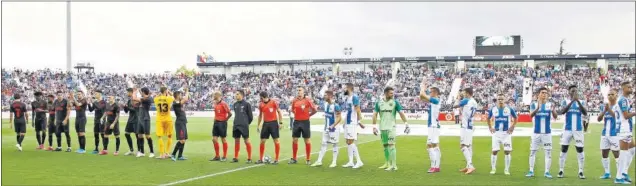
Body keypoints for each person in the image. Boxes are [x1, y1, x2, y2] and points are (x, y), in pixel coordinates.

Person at [372, 87, 408, 171]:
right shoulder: (378, 103)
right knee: (385, 146)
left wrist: (406, 124)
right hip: (382, 128)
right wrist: (374, 127)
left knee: (391, 145)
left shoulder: (395, 102)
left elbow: (401, 113)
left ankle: (394, 165)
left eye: (393, 93)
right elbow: (374, 115)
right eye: (391, 93)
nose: (393, 94)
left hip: (391, 127)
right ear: (386, 93)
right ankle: (387, 163)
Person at [526, 87, 559, 179]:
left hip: (547, 133)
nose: (544, 94)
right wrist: (538, 108)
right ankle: (531, 170)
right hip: (536, 132)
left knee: (548, 152)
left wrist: (553, 110)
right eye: (542, 93)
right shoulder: (534, 104)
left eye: (546, 93)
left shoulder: (550, 105)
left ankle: (547, 171)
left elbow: (555, 116)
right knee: (532, 152)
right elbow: (530, 116)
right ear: (538, 94)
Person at [558, 85, 588, 179]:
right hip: (567, 129)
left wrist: (578, 101)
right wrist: (572, 101)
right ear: (569, 92)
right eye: (572, 91)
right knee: (564, 149)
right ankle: (561, 170)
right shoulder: (565, 101)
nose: (574, 92)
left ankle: (581, 171)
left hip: (578, 130)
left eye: (575, 91)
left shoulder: (582, 102)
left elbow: (585, 112)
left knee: (580, 150)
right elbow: (562, 111)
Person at [487, 93, 518, 176]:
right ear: (497, 100)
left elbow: (515, 118)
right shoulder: (493, 109)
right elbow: (488, 118)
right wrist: (490, 127)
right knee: (494, 151)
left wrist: (512, 127)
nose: (500, 100)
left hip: (506, 134)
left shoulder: (509, 109)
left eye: (502, 99)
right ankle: (493, 168)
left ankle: (506, 169)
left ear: (505, 100)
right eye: (499, 99)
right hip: (496, 133)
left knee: (507, 151)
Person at [311, 90, 341, 168]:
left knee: (334, 144)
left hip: (334, 129)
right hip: (326, 128)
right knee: (323, 144)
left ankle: (334, 162)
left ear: (330, 96)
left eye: (325, 95)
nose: (324, 97)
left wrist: (333, 125)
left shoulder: (336, 105)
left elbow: (339, 118)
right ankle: (319, 161)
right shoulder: (325, 104)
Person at [453, 88, 478, 174]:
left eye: (464, 93)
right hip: (470, 125)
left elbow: (455, 105)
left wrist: (458, 98)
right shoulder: (474, 102)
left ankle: (470, 166)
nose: (463, 94)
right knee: (469, 146)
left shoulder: (466, 100)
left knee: (463, 146)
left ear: (467, 93)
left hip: (465, 126)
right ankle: (468, 166)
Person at [290, 87, 317, 165]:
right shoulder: (294, 101)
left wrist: (309, 115)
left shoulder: (308, 100)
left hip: (305, 122)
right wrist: (297, 115)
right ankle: (294, 158)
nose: (298, 92)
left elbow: (314, 109)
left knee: (307, 140)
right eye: (297, 90)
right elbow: (292, 110)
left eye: (300, 90)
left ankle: (308, 159)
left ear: (303, 92)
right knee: (295, 139)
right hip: (297, 122)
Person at [615, 82, 635, 184]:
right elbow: (626, 115)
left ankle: (624, 172)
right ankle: (619, 177)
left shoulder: (625, 99)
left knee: (632, 149)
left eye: (631, 87)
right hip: (623, 128)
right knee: (623, 153)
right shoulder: (623, 100)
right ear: (623, 89)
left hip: (627, 128)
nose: (631, 88)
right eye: (629, 87)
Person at [419, 78, 441, 173]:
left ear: (435, 92)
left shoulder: (435, 100)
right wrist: (423, 89)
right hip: (434, 125)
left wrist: (423, 85)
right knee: (435, 145)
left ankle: (434, 166)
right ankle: (436, 166)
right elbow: (421, 97)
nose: (430, 93)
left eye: (431, 92)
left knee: (429, 145)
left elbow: (422, 95)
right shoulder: (434, 100)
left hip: (433, 125)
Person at [342, 83, 366, 169]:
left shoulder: (354, 97)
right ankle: (351, 161)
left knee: (351, 142)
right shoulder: (347, 98)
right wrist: (344, 122)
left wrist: (359, 121)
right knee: (348, 142)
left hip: (352, 122)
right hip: (348, 123)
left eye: (345, 88)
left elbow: (358, 109)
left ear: (349, 89)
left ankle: (359, 161)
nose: (343, 90)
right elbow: (348, 111)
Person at [598, 89, 620, 180]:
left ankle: (620, 173)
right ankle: (607, 173)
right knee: (604, 154)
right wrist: (604, 111)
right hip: (605, 134)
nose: (610, 96)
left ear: (616, 96)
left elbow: (617, 117)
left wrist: (608, 109)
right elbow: (599, 119)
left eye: (612, 94)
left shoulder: (618, 106)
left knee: (617, 154)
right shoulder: (605, 107)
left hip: (614, 134)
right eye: (609, 94)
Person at [256, 91, 283, 164]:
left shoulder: (273, 102)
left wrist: (280, 122)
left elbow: (279, 112)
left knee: (276, 141)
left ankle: (276, 159)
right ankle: (261, 159)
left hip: (274, 123)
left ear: (262, 97)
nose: (260, 99)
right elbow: (260, 115)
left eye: (261, 98)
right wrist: (258, 125)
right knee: (262, 141)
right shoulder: (261, 105)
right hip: (265, 124)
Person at [231, 90, 253, 163]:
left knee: (246, 140)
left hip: (244, 126)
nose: (235, 95)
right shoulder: (235, 104)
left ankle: (249, 158)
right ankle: (236, 157)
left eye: (237, 94)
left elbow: (250, 117)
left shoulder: (247, 104)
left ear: (241, 95)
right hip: (236, 125)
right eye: (235, 94)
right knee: (236, 140)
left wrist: (246, 123)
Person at [154, 87, 175, 159]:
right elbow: (173, 97)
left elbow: (156, 96)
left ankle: (162, 154)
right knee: (169, 136)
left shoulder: (156, 99)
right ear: (165, 91)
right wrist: (168, 92)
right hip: (168, 119)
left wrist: (160, 94)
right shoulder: (169, 98)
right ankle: (167, 153)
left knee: (160, 137)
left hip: (159, 119)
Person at [210, 91, 232, 162]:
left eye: (214, 95)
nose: (213, 96)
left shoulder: (224, 104)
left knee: (223, 139)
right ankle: (217, 156)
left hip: (222, 123)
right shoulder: (215, 103)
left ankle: (224, 156)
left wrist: (225, 120)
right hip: (216, 123)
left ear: (218, 96)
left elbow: (230, 113)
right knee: (214, 139)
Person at [134, 87, 155, 158]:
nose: (141, 93)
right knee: (139, 135)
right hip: (140, 119)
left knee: (147, 136)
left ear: (143, 92)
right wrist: (139, 91)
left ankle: (152, 152)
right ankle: (141, 152)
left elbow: (134, 98)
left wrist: (135, 91)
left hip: (146, 119)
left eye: (141, 92)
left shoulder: (147, 99)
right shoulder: (145, 98)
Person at [170, 89, 189, 161]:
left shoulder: (177, 102)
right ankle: (173, 154)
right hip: (179, 123)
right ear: (177, 96)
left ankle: (180, 156)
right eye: (180, 95)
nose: (181, 96)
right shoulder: (175, 103)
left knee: (184, 139)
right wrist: (187, 91)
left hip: (183, 122)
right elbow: (186, 99)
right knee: (182, 140)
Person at [123, 88, 139, 156]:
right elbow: (127, 111)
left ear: (131, 92)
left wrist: (128, 108)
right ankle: (131, 150)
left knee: (137, 135)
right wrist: (125, 107)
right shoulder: (129, 101)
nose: (127, 94)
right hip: (130, 119)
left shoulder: (136, 101)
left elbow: (135, 110)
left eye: (128, 92)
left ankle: (139, 150)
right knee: (127, 134)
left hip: (136, 119)